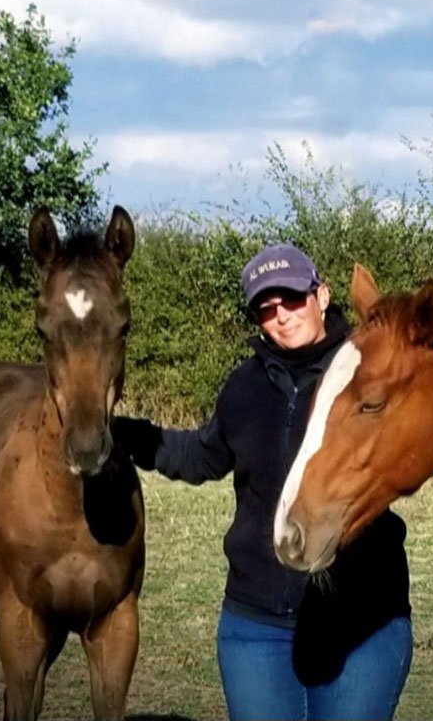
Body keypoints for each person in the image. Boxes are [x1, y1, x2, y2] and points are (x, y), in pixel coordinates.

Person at [113, 242, 413, 721]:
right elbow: (202, 456)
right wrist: (125, 435)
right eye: (266, 308)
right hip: (256, 626)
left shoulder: (366, 376)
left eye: (292, 298)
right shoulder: (244, 388)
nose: (282, 316)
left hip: (360, 622)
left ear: (322, 296)